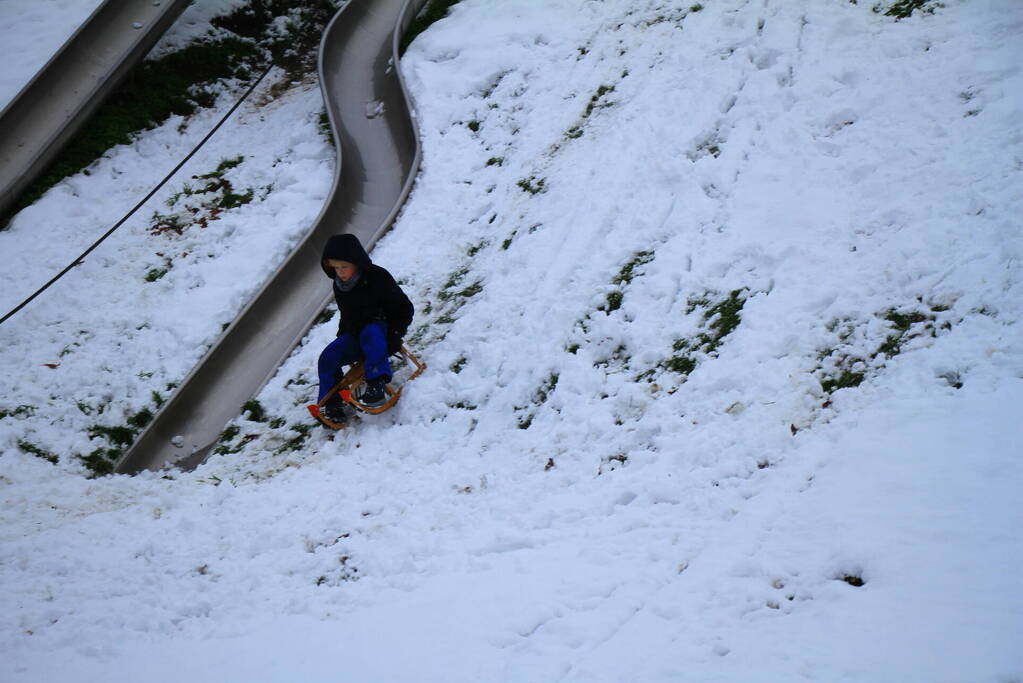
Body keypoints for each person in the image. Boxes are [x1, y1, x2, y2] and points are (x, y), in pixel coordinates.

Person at [316, 234, 413, 424]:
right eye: (335, 268)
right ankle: (332, 402)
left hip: (382, 328)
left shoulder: (377, 277)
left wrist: (395, 335)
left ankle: (376, 383)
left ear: (357, 262)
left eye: (344, 267)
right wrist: (342, 337)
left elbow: (403, 308)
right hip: (355, 334)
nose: (341, 272)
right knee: (328, 356)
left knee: (371, 333)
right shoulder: (340, 286)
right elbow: (347, 315)